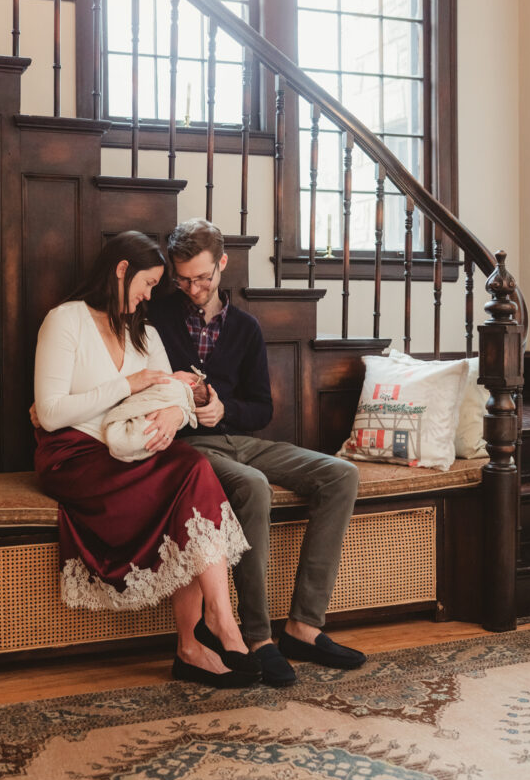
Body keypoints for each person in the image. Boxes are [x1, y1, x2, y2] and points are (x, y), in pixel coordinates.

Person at [32, 230, 262, 688]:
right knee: (185, 480)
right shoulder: (65, 321)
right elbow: (52, 413)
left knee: (192, 468)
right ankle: (204, 635)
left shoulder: (145, 331)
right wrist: (129, 385)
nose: (149, 295)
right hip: (73, 456)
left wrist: (177, 411)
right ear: (122, 269)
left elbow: (172, 387)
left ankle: (211, 627)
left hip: (131, 447)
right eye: (149, 283)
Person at [148, 218, 366, 687]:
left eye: (202, 277)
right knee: (252, 486)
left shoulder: (245, 326)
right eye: (182, 278)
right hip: (186, 446)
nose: (192, 288)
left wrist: (223, 407)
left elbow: (261, 408)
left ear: (222, 264)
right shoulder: (157, 318)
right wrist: (188, 407)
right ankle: (257, 637)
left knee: (341, 475)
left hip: (241, 439)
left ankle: (304, 627)